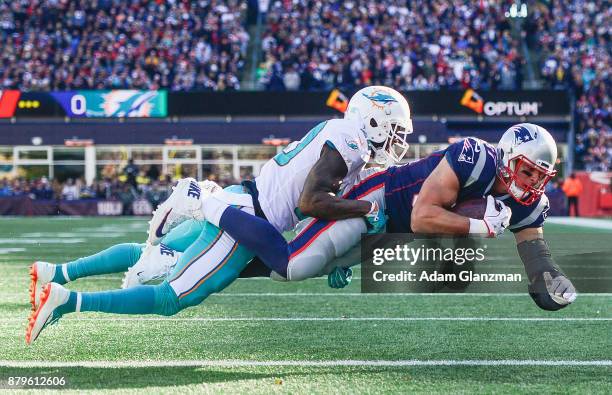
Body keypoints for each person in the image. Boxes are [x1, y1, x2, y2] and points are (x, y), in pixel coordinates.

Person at [26, 85, 414, 344]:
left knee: (159, 258)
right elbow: (312, 202)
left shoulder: (346, 142)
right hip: (246, 221)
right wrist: (366, 208)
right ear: (373, 120)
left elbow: (313, 204)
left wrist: (335, 260)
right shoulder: (351, 143)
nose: (400, 141)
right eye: (395, 130)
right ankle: (66, 299)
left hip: (243, 199)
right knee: (172, 298)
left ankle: (57, 273)